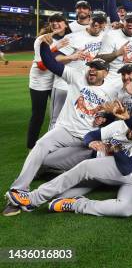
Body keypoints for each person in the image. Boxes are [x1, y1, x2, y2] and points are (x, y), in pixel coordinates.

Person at [3, 37, 121, 216]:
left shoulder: (113, 88)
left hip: (88, 140)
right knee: (40, 146)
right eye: (91, 67)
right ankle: (19, 190)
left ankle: (54, 193)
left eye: (97, 69)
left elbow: (119, 112)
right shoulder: (76, 76)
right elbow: (50, 63)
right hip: (65, 130)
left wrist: (107, 115)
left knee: (75, 169)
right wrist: (43, 44)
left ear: (106, 72)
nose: (92, 71)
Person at [27, 14, 71, 149]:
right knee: (38, 115)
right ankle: (31, 146)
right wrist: (54, 49)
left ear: (65, 23)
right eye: (52, 21)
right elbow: (41, 65)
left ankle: (56, 144)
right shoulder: (42, 39)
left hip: (55, 81)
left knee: (60, 115)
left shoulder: (67, 39)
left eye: (59, 21)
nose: (55, 23)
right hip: (39, 82)